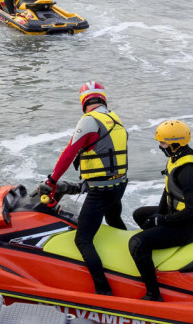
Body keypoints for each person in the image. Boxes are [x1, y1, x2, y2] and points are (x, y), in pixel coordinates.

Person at [36, 82, 129, 296]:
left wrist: (51, 182)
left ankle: (103, 290)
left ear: (84, 101)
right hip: (119, 185)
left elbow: (69, 153)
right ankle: (129, 262)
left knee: (83, 239)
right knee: (115, 221)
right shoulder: (114, 118)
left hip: (101, 192)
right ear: (102, 99)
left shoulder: (89, 121)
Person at [128, 120, 193, 302]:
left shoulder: (189, 171)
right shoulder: (177, 158)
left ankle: (154, 294)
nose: (160, 146)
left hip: (188, 226)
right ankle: (154, 253)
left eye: (163, 143)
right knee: (140, 214)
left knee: (137, 243)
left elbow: (191, 211)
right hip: (176, 216)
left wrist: (161, 221)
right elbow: (168, 192)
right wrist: (158, 214)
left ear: (176, 143)